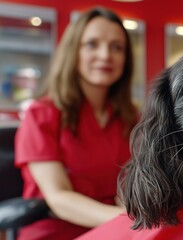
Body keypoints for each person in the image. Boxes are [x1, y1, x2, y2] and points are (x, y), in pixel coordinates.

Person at [15, 6, 138, 240]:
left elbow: (131, 186)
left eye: (117, 47)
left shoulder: (131, 118)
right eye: (92, 44)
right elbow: (59, 197)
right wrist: (127, 220)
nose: (105, 55)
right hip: (55, 231)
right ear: (73, 51)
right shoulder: (41, 115)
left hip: (115, 230)